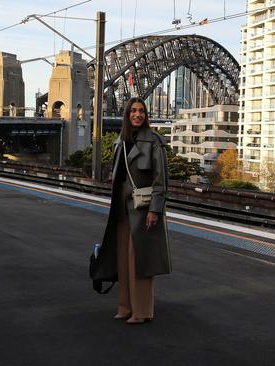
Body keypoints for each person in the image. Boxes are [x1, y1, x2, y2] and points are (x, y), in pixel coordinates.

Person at [97, 97, 171, 324]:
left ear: (146, 115)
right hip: (121, 208)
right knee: (123, 258)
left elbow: (161, 180)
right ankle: (125, 306)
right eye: (133, 111)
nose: (138, 115)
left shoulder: (154, 141)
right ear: (127, 115)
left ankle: (142, 311)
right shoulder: (121, 140)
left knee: (139, 259)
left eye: (142, 111)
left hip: (142, 207)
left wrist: (155, 211)